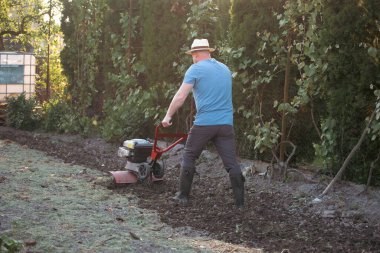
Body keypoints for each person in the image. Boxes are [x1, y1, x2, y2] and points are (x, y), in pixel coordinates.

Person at [161, 38, 245, 207]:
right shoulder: (225, 69)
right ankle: (240, 203)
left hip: (205, 123)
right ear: (209, 52)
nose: (192, 58)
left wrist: (168, 116)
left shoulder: (195, 69)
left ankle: (182, 196)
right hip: (226, 124)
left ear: (196, 54)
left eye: (193, 55)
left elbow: (180, 97)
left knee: (189, 155)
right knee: (231, 163)